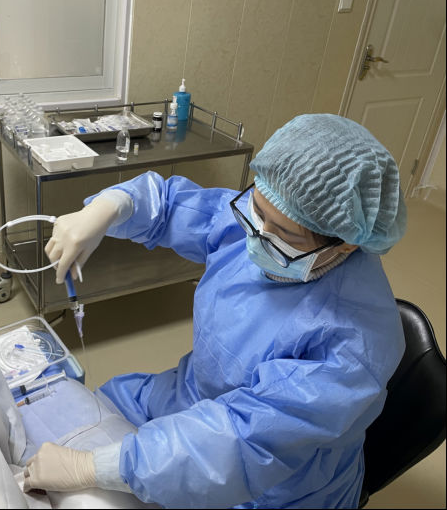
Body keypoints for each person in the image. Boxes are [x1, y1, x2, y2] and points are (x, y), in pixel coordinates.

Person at [23, 114, 407, 508]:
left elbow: (243, 439)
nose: (256, 236)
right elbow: (175, 207)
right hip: (187, 396)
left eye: (283, 234)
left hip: (274, 482)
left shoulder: (354, 344)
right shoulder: (262, 219)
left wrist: (91, 468)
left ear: (345, 245)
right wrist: (113, 207)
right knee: (75, 411)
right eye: (258, 211)